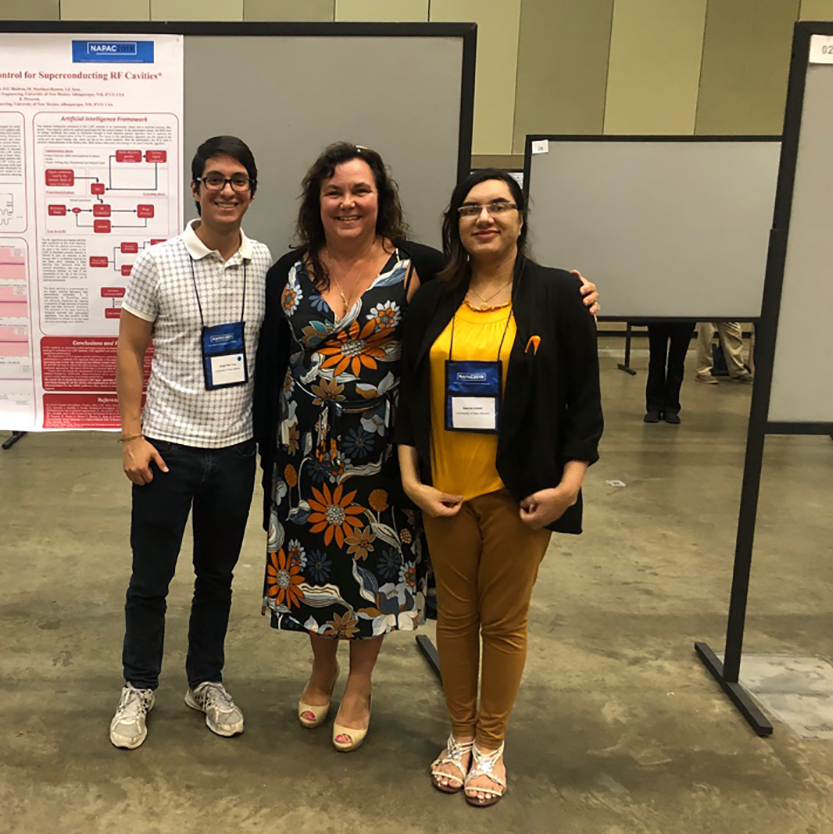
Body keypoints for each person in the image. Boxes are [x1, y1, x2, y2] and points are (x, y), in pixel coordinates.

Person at [396, 170, 603, 806]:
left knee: (504, 623)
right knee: (455, 621)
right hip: (445, 493)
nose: (484, 218)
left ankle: (491, 745)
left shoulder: (559, 294)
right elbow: (408, 399)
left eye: (498, 207)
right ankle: (459, 737)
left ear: (519, 218)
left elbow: (583, 403)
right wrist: (411, 480)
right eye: (470, 209)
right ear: (455, 223)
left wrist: (569, 485)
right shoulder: (432, 298)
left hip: (521, 496)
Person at [254, 143, 444, 753]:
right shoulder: (288, 270)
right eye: (334, 191)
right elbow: (268, 362)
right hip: (301, 449)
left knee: (373, 569)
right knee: (314, 566)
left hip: (383, 452)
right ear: (317, 200)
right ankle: (322, 668)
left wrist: (575, 293)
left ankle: (360, 682)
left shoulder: (421, 267)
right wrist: (267, 451)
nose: (347, 203)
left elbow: (499, 283)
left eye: (360, 191)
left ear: (380, 199)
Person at [110, 136, 274, 750]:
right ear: (195, 188)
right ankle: (138, 686)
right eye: (214, 179)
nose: (226, 189)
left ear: (252, 190)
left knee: (217, 578)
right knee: (149, 580)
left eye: (238, 179)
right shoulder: (157, 261)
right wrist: (131, 436)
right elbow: (129, 348)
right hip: (167, 449)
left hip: (236, 450)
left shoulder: (266, 264)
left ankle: (205, 680)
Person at [644, 321, 694, 423]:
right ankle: (654, 406)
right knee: (656, 359)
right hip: (658, 314)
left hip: (685, 315)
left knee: (677, 361)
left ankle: (672, 406)